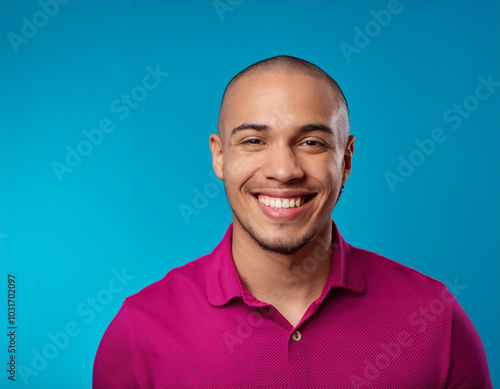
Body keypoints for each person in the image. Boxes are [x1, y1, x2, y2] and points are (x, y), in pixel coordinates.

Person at [93, 55, 492, 389]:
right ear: (219, 157)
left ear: (346, 160)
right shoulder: (140, 330)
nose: (284, 171)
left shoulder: (434, 317)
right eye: (254, 141)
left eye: (311, 142)